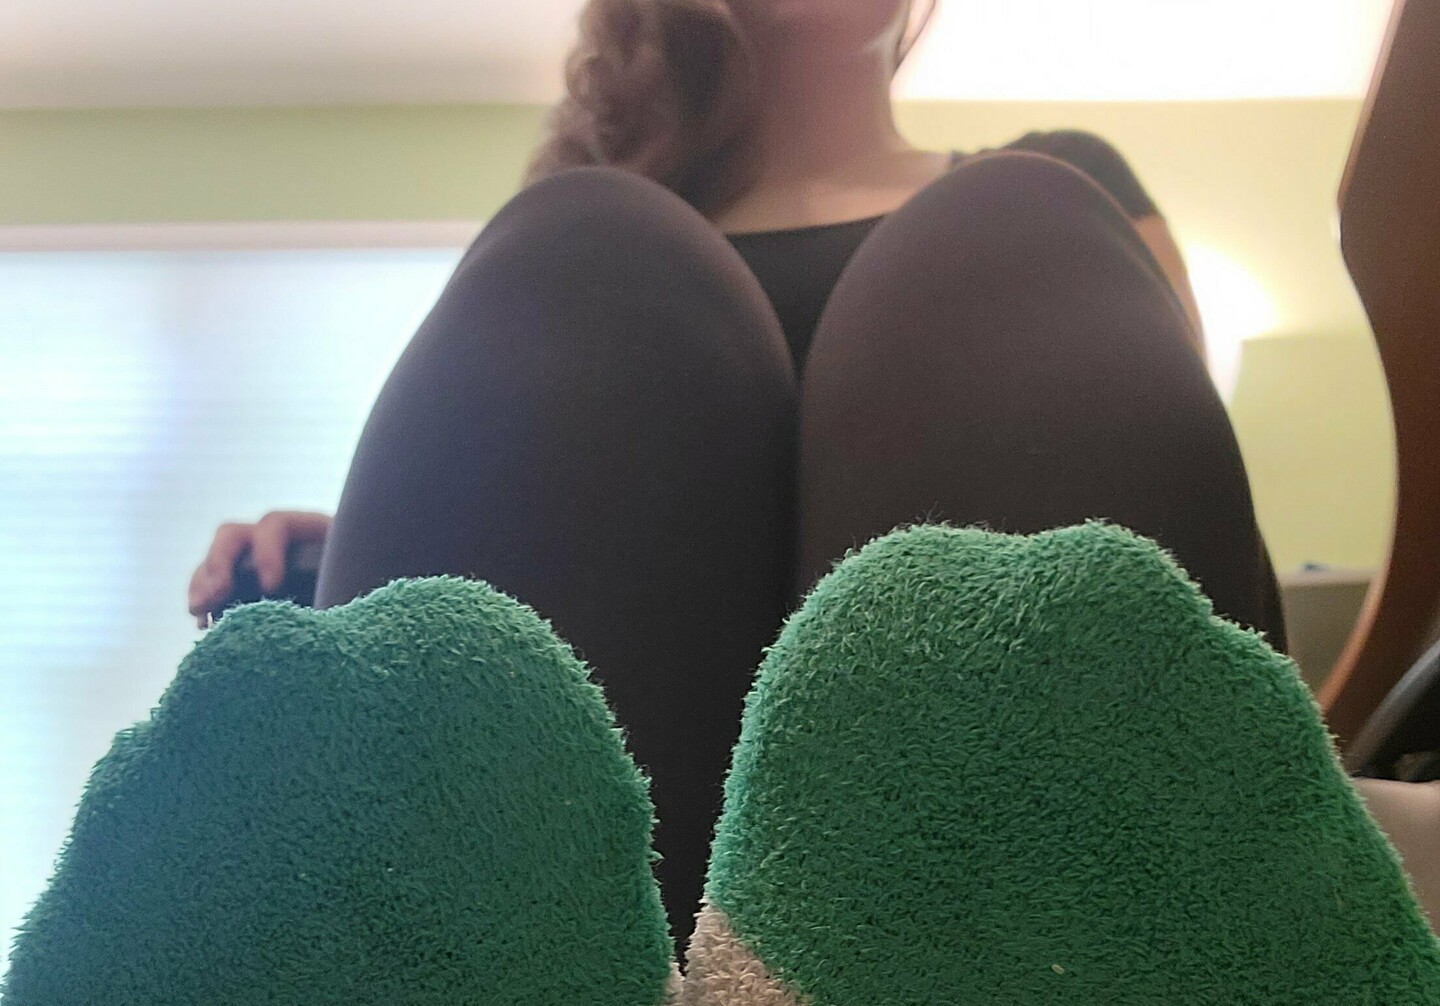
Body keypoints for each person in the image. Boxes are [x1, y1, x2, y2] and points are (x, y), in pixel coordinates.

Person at [188, 0, 1284, 943]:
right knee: (589, 243)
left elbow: (1154, 501)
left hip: (956, 829)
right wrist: (390, 542)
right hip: (631, 865)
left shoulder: (1066, 197)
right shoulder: (579, 250)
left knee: (1019, 220)